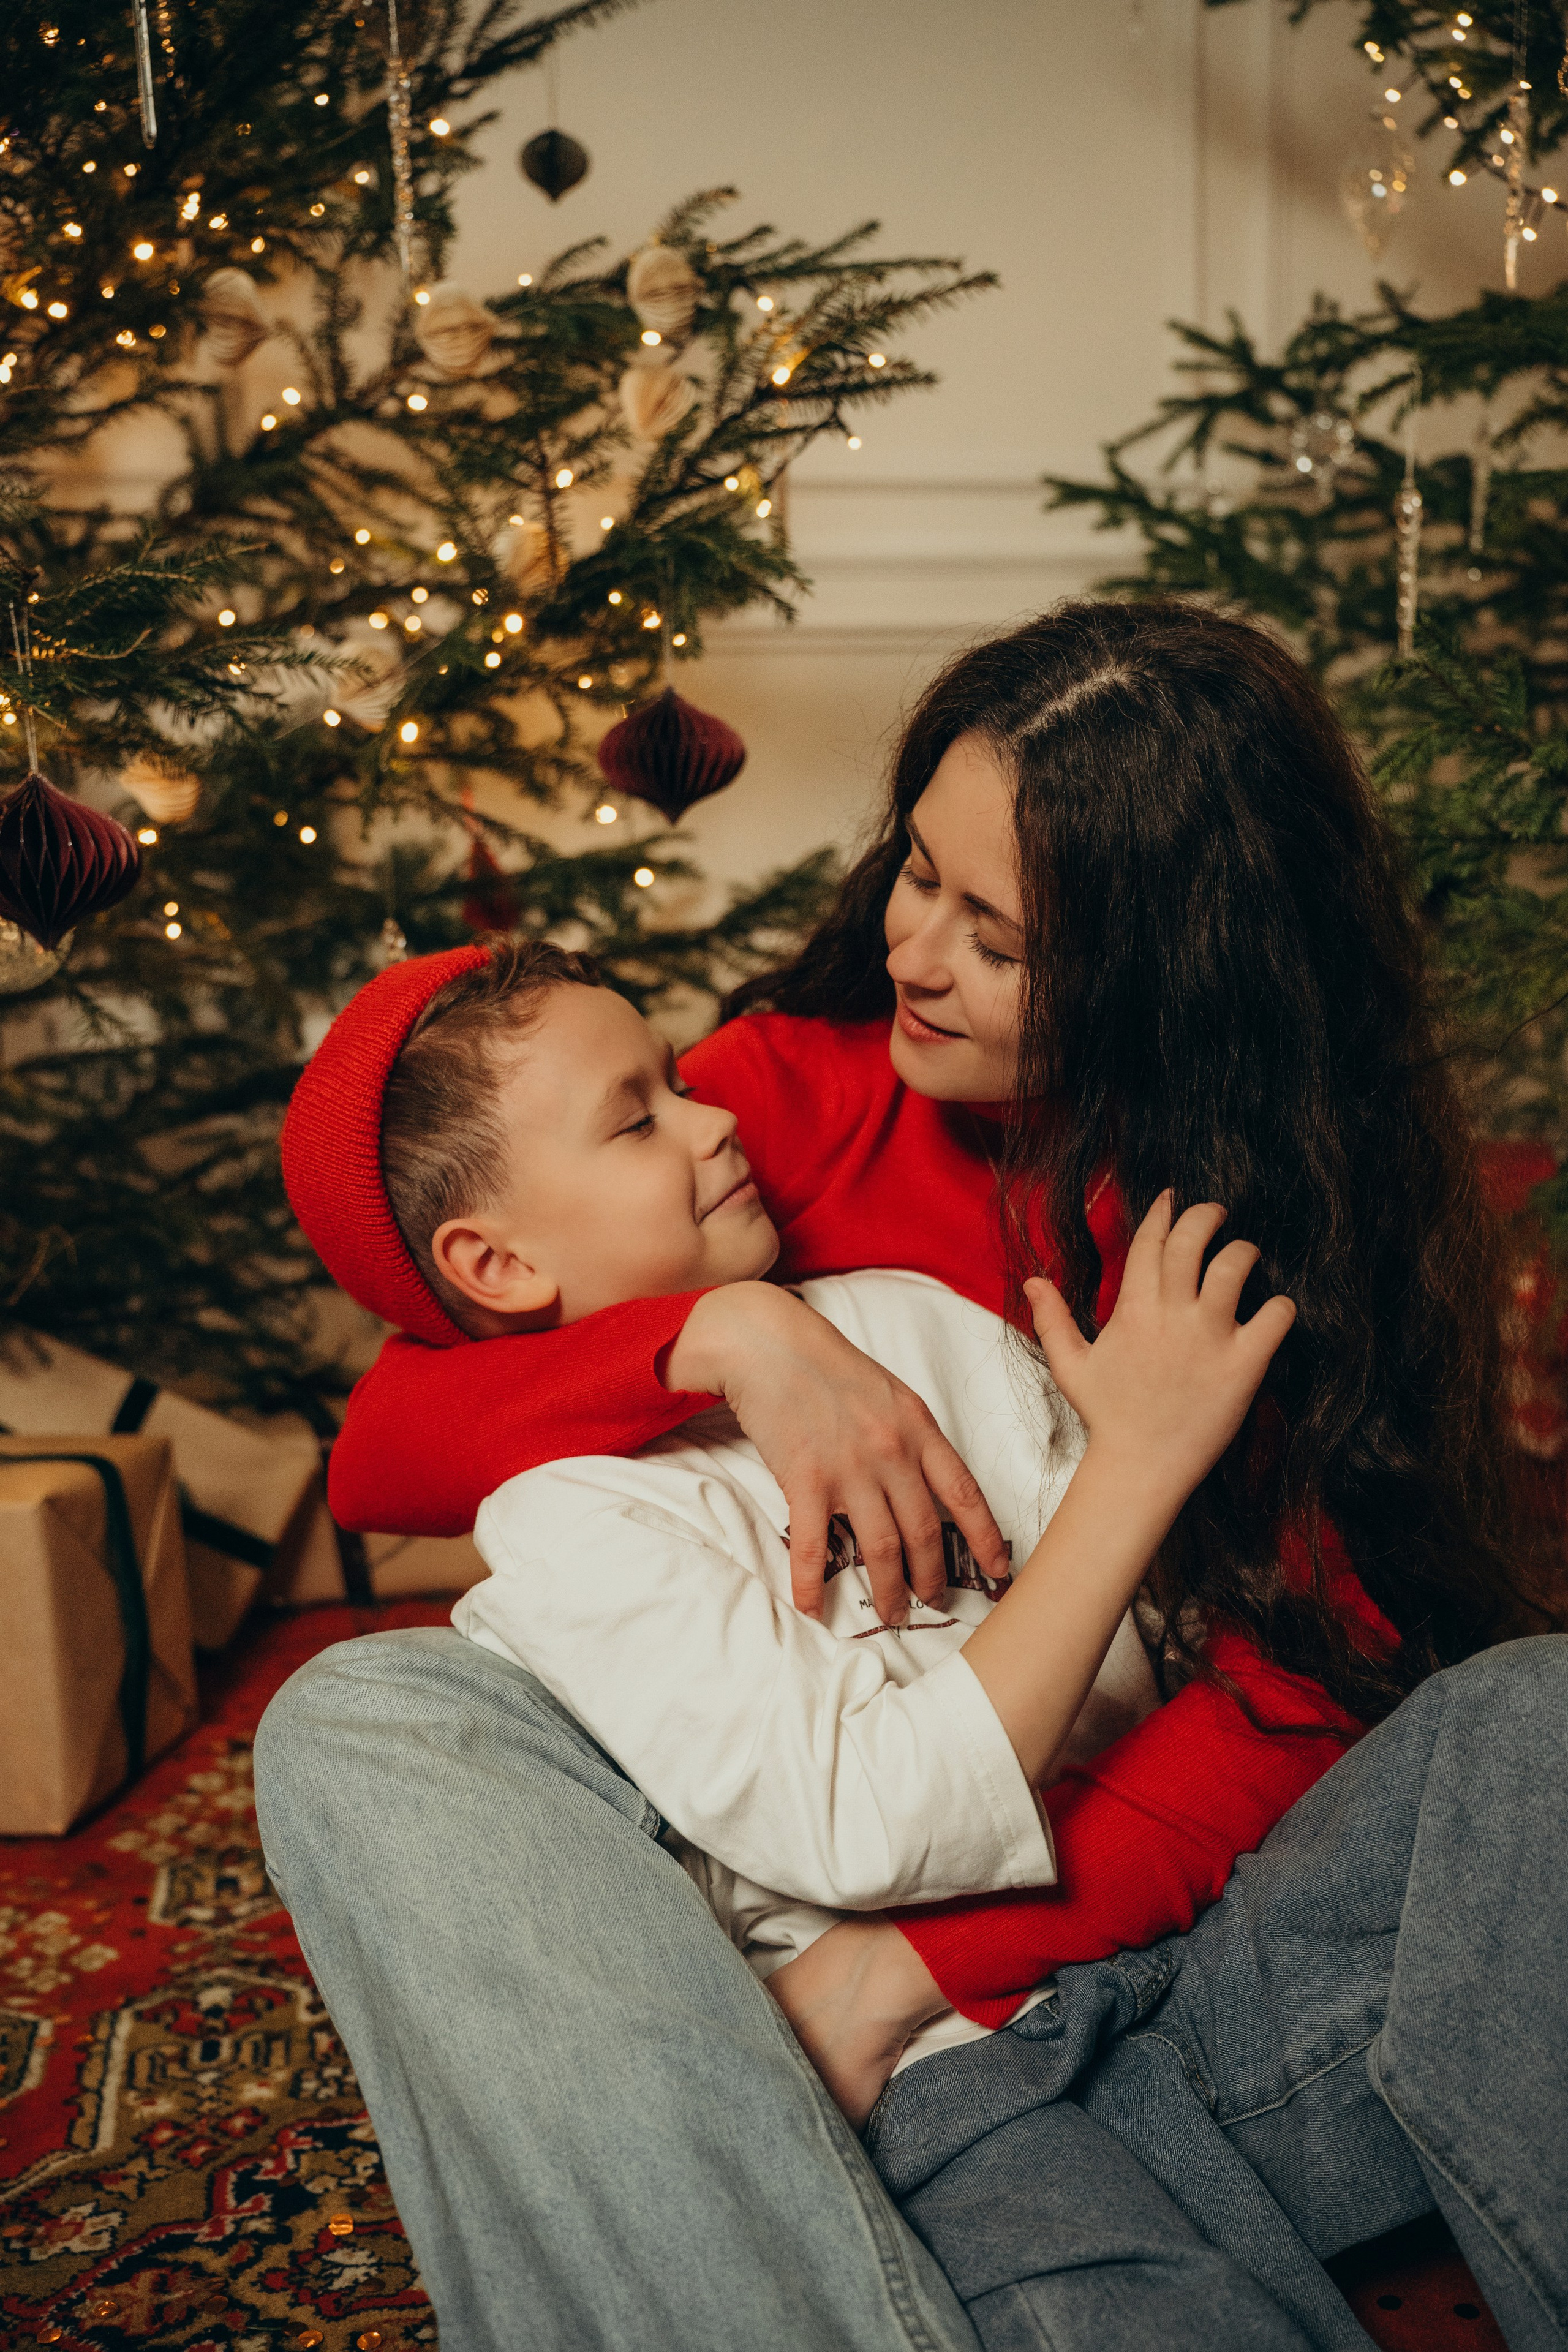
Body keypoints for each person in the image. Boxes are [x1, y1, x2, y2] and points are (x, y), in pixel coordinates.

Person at [258, 601, 1562, 2351]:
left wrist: (911, 1975)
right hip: (892, 1958)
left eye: (995, 935)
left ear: (1177, 971)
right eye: (917, 875)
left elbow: (1306, 1670)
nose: (915, 955)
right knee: (367, 1715)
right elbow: (392, 1446)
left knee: (1538, 1717)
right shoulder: (792, 1103)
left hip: (1150, 1970)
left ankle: (970, 2199)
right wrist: (733, 1336)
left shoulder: (1292, 1214)